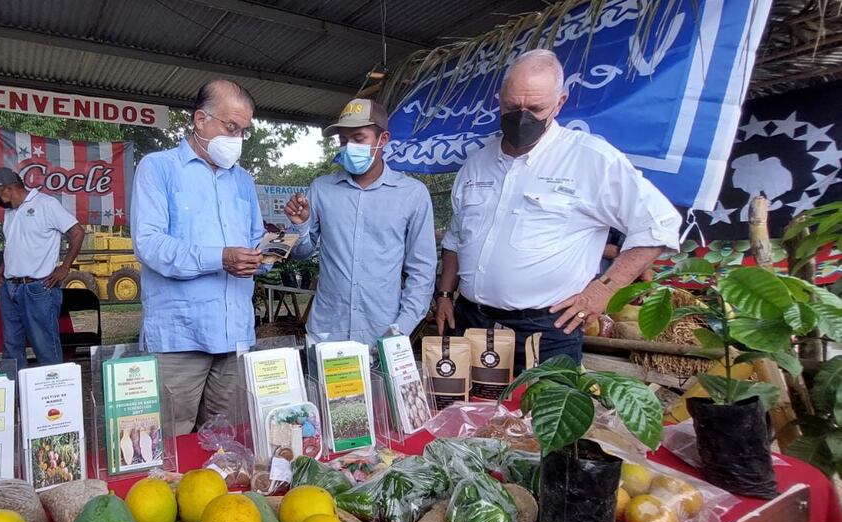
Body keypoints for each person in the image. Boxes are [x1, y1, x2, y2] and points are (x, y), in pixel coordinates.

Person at [435, 49, 682, 370]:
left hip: (547, 328)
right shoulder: (477, 163)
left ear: (560, 102)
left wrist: (603, 290)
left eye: (535, 108)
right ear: (499, 99)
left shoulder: (591, 159)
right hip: (472, 321)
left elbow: (659, 225)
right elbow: (456, 237)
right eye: (512, 106)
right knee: (470, 416)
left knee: (541, 418)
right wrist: (444, 294)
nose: (521, 116)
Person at [131, 80, 264, 435]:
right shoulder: (158, 168)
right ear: (200, 120)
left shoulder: (243, 182)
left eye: (244, 132)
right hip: (180, 339)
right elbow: (150, 244)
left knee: (227, 445)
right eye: (230, 127)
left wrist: (268, 251)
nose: (237, 139)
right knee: (167, 446)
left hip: (235, 335)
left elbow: (253, 243)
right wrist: (220, 258)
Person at [284, 99, 436, 344]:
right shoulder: (322, 189)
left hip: (383, 332)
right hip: (327, 332)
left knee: (380, 385)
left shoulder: (412, 194)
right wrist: (301, 225)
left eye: (358, 138)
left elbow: (422, 270)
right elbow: (302, 253)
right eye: (343, 141)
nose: (349, 147)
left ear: (383, 139)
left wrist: (400, 330)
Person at [0, 167, 85, 369]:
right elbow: (15, 244)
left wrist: (65, 268)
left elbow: (77, 232)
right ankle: (14, 394)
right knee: (11, 345)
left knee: (44, 345)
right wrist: (2, 268)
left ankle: (53, 395)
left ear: (9, 188)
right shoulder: (10, 212)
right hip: (10, 287)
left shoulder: (46, 204)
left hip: (38, 288)